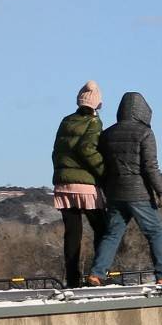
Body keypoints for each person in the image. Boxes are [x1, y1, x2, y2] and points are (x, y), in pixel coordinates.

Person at [87, 91, 162, 286]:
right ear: (143, 111)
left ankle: (97, 272)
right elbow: (150, 166)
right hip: (139, 193)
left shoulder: (107, 134)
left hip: (114, 192)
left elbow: (102, 165)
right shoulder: (145, 133)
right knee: (155, 232)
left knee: (112, 234)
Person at [51, 81, 108, 289]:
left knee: (72, 234)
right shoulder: (94, 123)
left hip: (63, 185)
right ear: (97, 104)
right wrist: (104, 173)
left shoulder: (66, 121)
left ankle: (72, 280)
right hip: (85, 186)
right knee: (103, 229)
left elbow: (57, 152)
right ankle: (97, 274)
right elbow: (88, 150)